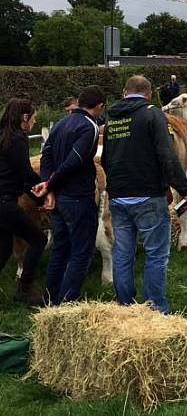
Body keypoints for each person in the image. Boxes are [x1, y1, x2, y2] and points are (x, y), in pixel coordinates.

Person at [101, 75, 187, 314]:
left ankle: (125, 305)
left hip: (118, 197)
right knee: (156, 254)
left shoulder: (112, 119)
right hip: (148, 196)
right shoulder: (153, 115)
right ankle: (155, 309)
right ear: (149, 95)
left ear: (124, 92)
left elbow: (106, 159)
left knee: (122, 252)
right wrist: (182, 188)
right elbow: (167, 155)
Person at [38, 86, 105, 304]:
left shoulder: (60, 124)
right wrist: (51, 184)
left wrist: (49, 185)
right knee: (81, 251)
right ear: (99, 106)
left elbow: (46, 154)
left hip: (58, 197)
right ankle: (67, 302)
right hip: (78, 196)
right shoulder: (90, 127)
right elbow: (74, 160)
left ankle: (49, 299)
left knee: (60, 248)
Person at [0, 99, 53, 304]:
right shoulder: (17, 139)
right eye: (33, 117)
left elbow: (16, 178)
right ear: (24, 118)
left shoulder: (4, 136)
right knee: (39, 239)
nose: (35, 120)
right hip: (5, 202)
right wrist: (47, 189)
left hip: (3, 200)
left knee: (4, 249)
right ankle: (25, 289)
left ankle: (23, 289)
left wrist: (36, 197)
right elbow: (25, 174)